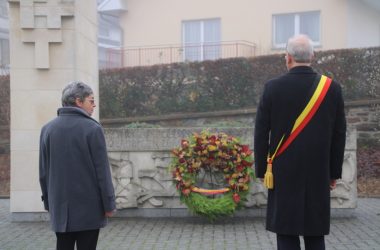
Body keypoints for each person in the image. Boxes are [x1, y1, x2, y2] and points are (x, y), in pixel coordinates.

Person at [254, 34, 346, 250]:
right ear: (313, 56)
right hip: (318, 169)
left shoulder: (272, 87)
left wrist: (262, 171)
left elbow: (260, 132)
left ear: (287, 58)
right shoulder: (332, 88)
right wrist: (333, 172)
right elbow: (339, 134)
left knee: (286, 232)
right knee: (315, 233)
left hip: (282, 171)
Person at [39, 81, 116, 250]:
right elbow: (102, 171)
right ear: (78, 101)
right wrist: (109, 204)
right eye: (91, 100)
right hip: (89, 209)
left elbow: (43, 171)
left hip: (59, 207)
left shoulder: (47, 129)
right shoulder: (92, 128)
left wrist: (48, 202)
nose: (94, 104)